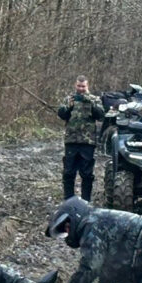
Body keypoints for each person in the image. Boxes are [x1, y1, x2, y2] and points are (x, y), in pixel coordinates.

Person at [57, 74, 105, 202]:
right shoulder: (69, 99)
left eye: (83, 86)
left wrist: (90, 103)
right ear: (75, 85)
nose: (81, 89)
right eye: (79, 86)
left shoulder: (95, 99)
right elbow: (61, 114)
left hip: (87, 142)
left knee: (87, 174)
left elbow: (100, 115)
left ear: (87, 86)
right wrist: (69, 107)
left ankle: (85, 202)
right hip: (71, 140)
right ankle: (68, 200)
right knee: (68, 173)